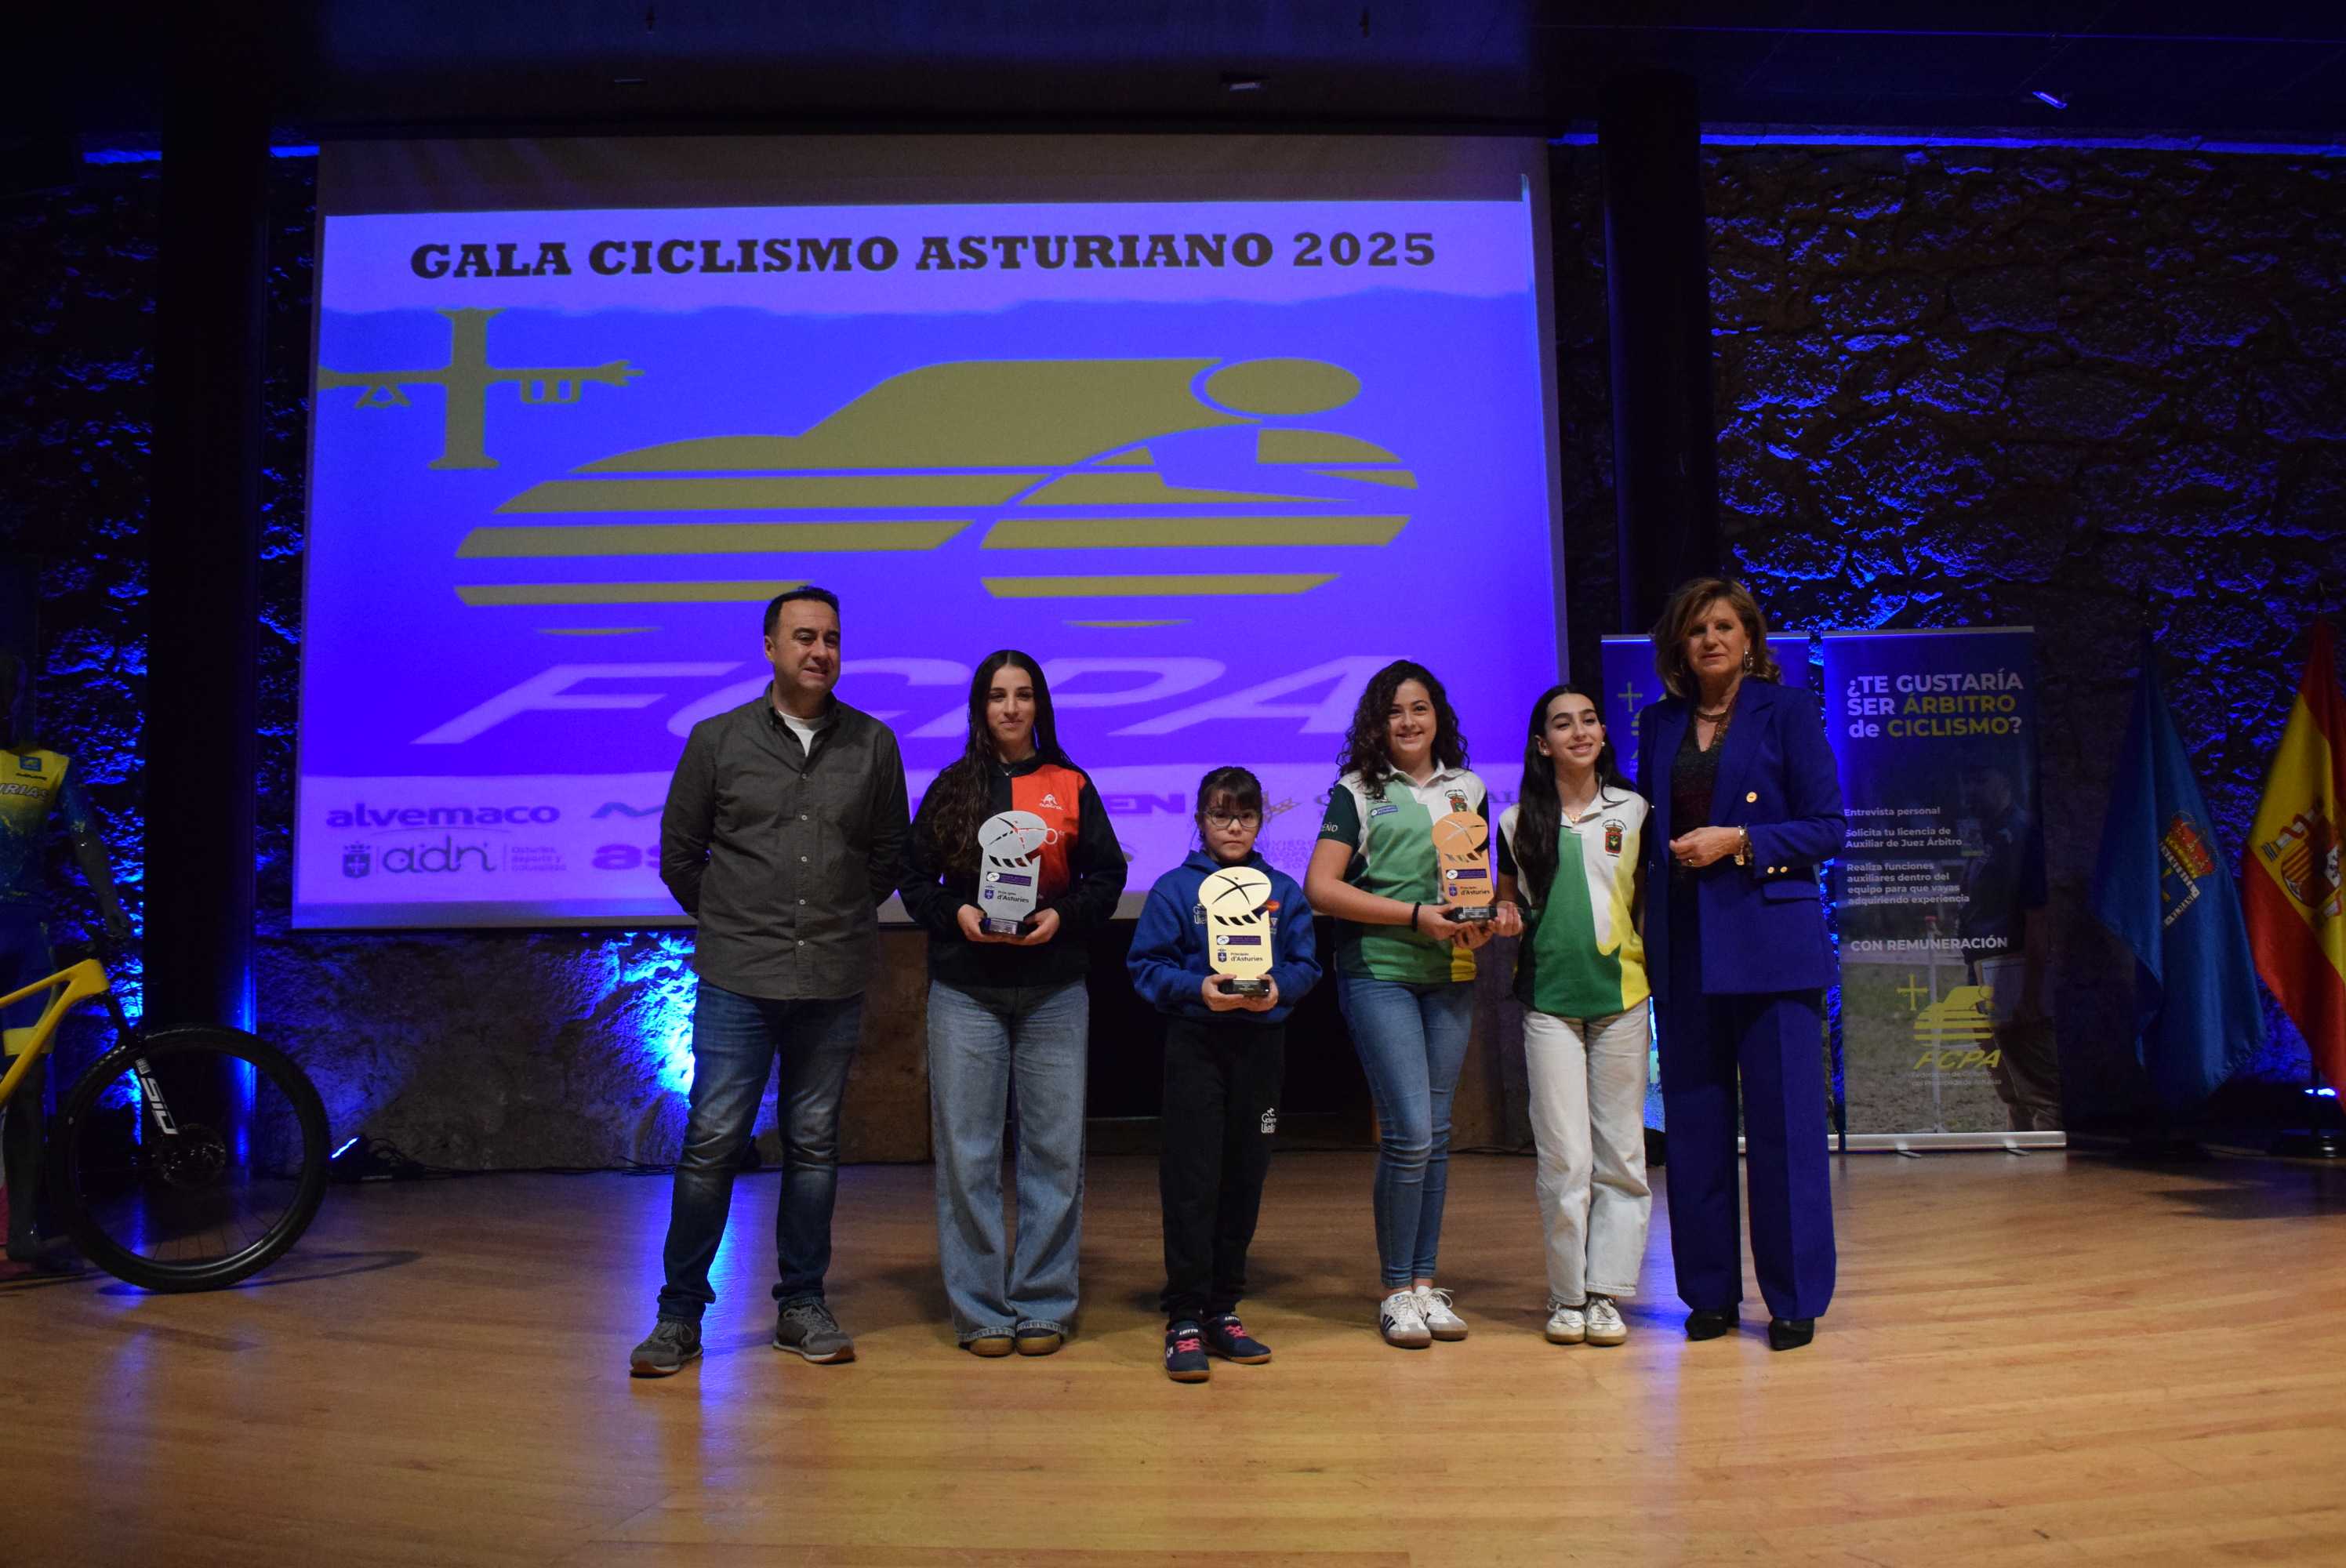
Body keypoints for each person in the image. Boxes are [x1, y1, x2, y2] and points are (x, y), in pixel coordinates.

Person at [629, 587, 911, 1377]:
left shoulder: (872, 744)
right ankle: (678, 1314)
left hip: (832, 974)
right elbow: (679, 854)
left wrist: (842, 913)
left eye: (830, 638)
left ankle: (801, 1303)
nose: (818, 651)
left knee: (814, 1145)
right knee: (713, 1139)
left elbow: (890, 853)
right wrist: (731, 921)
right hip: (738, 976)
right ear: (768, 646)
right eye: (802, 637)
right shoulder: (717, 741)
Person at [1636, 577, 1845, 1352]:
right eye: (1696, 630)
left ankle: (1793, 1297)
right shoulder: (1657, 724)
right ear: (1679, 648)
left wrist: (1742, 841)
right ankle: (1709, 1293)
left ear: (1750, 639)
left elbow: (1827, 826)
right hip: (1685, 948)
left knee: (1786, 1132)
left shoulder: (1785, 712)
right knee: (1692, 1129)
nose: (1711, 639)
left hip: (1770, 947)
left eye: (1725, 626)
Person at [901, 652, 1126, 1356]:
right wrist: (955, 914)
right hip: (966, 991)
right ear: (979, 706)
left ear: (1039, 706)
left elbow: (1108, 872)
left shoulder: (1071, 782)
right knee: (968, 1156)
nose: (1010, 708)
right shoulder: (952, 786)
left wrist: (1065, 916)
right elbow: (913, 878)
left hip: (1055, 990)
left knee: (1053, 1153)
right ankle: (981, 1311)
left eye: (1023, 695)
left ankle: (1043, 1303)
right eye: (997, 696)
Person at [1304, 659, 1520, 1349]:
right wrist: (1415, 915)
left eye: (1420, 708)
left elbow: (1478, 887)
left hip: (1451, 971)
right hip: (1379, 972)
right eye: (1395, 711)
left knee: (1436, 1135)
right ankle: (1396, 1288)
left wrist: (1492, 917)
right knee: (1410, 1135)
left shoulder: (1469, 788)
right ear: (1377, 722)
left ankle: (1426, 1286)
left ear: (1437, 717)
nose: (1408, 722)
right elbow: (1320, 889)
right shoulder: (1357, 791)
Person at [1126, 766, 1320, 1383]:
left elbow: (1305, 964)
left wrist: (1276, 989)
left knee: (1245, 1176)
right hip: (1198, 1046)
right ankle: (1183, 1315)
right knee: (1192, 1178)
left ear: (1262, 820)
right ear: (1201, 821)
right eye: (1220, 815)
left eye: (1245, 815)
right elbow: (1147, 965)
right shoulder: (1174, 891)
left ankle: (1224, 1308)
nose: (1234, 827)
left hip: (1261, 1049)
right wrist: (1197, 989)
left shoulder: (1282, 890)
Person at [1494, 684, 1652, 1349]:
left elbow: (1646, 903)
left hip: (1623, 998)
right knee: (1565, 1158)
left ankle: (1605, 1293)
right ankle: (1565, 1295)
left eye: (1589, 720)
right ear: (1543, 744)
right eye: (1564, 724)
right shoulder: (1512, 822)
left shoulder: (1636, 809)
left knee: (1622, 1155)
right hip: (1549, 1005)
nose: (1580, 731)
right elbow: (1505, 905)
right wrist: (1497, 916)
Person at [0, 649, 133, 1268]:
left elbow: (86, 838)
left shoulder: (49, 766)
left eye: (11, 684)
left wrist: (112, 907)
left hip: (27, 945)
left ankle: (22, 1227)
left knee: (25, 1094)